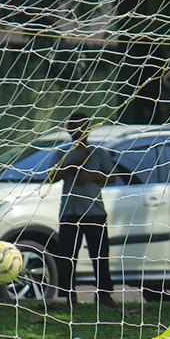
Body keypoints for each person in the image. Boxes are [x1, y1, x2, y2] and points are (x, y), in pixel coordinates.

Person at [47, 116, 119, 310]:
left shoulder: (98, 153)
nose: (77, 131)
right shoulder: (63, 153)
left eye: (81, 127)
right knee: (68, 256)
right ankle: (70, 298)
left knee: (100, 255)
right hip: (70, 212)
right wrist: (72, 163)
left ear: (88, 129)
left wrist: (93, 176)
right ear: (68, 130)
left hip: (94, 212)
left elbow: (112, 177)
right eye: (73, 127)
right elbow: (51, 177)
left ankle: (104, 295)